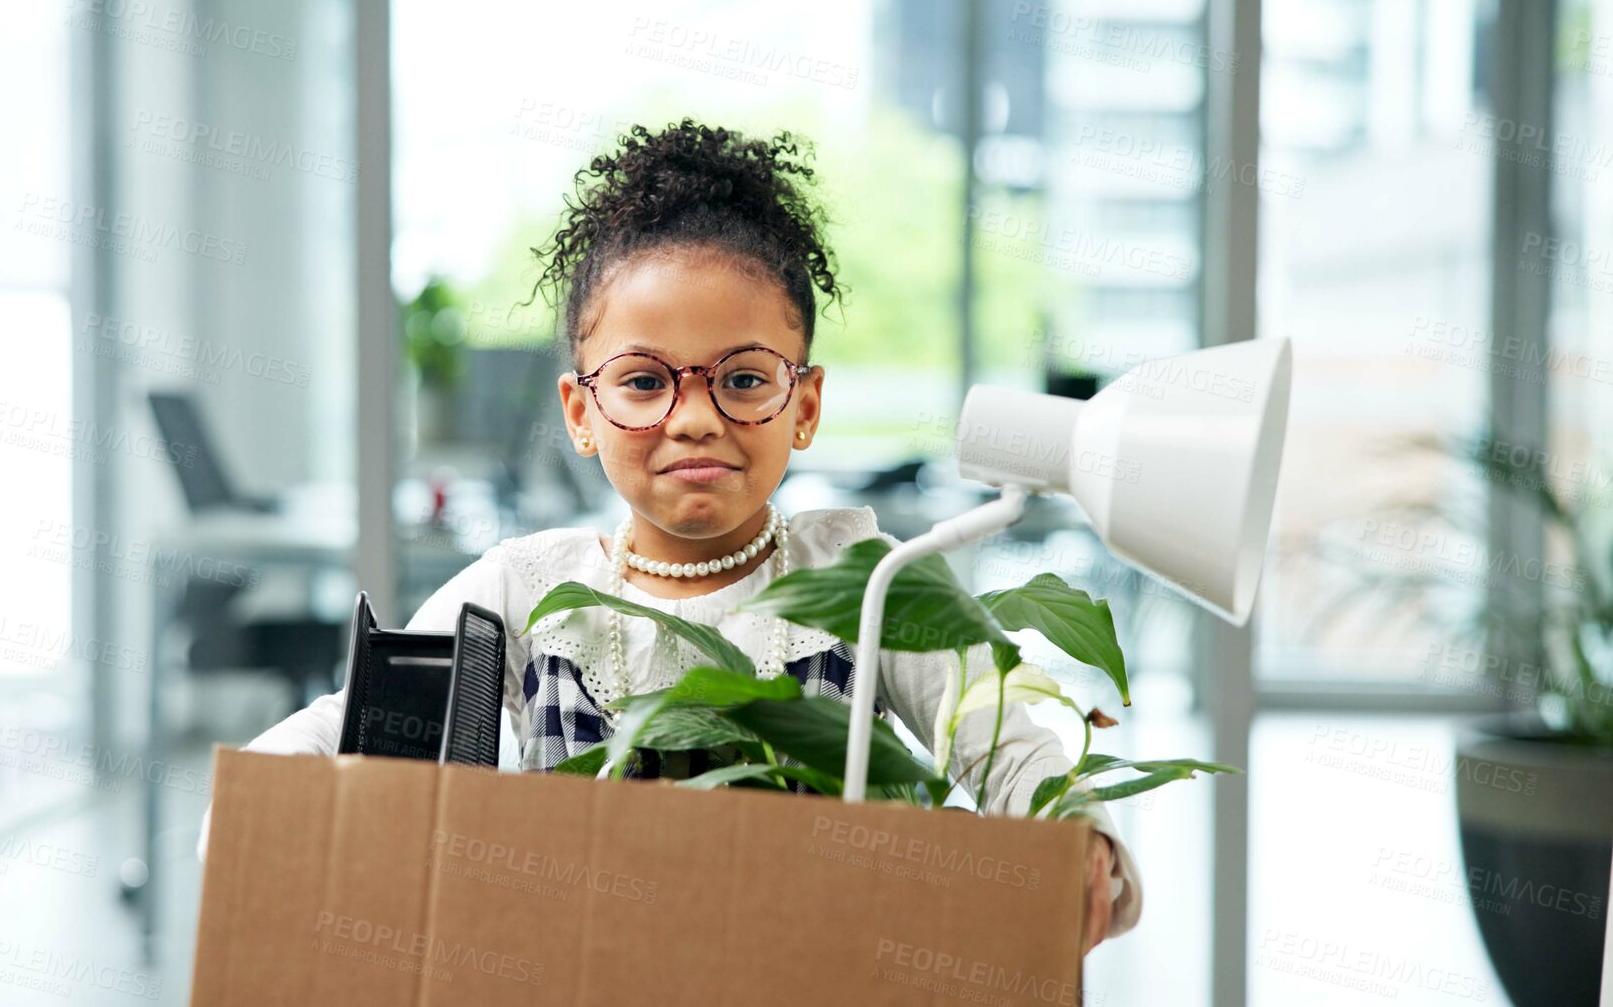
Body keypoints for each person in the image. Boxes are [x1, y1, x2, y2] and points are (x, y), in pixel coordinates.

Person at [201, 119, 1140, 950]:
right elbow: (347, 731)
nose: (693, 417)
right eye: (645, 381)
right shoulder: (527, 587)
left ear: (803, 404)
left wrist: (1081, 840)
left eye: (741, 378)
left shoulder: (867, 580)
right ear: (580, 410)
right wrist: (258, 818)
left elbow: (1008, 744)